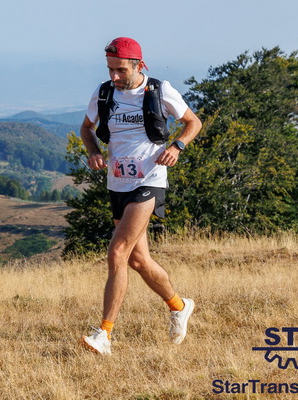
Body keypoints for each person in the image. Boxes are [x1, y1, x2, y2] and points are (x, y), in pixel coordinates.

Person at [79, 37, 202, 355]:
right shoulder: (104, 93)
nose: (114, 76)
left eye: (120, 70)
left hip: (149, 180)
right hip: (117, 183)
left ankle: (104, 334)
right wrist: (93, 151)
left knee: (118, 252)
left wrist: (177, 146)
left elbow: (193, 122)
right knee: (138, 260)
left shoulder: (159, 91)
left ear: (138, 65)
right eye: (110, 69)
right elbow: (86, 128)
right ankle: (179, 306)